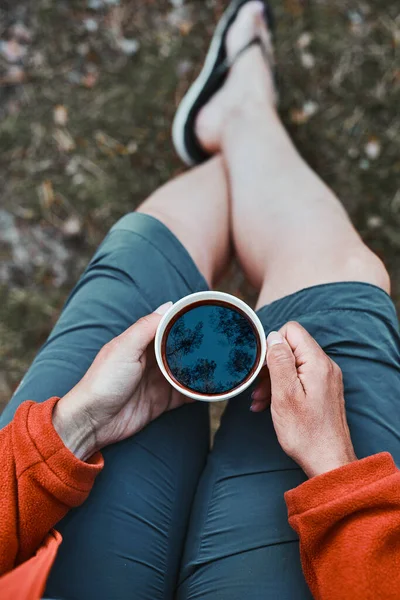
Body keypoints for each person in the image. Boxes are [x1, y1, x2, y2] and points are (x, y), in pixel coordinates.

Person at [1, 1, 400, 599]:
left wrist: (72, 428)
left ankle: (239, 122)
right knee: (339, 282)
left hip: (34, 561)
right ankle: (243, 118)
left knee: (148, 258)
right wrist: (340, 486)